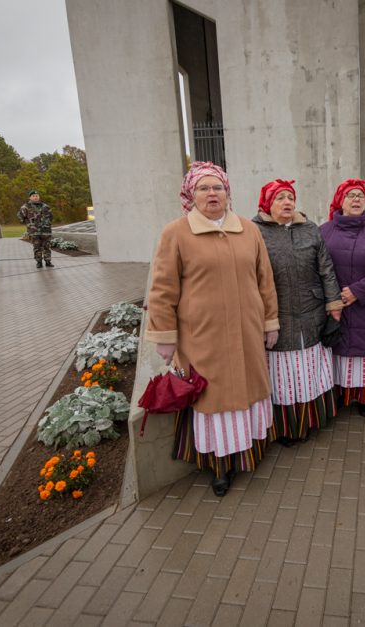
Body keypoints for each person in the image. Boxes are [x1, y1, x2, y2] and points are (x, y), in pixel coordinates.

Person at [146, 162, 279, 497]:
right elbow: (162, 290)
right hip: (201, 338)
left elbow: (265, 281)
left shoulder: (249, 230)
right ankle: (220, 467)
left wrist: (269, 322)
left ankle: (248, 452)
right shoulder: (175, 233)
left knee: (246, 394)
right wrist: (164, 337)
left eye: (217, 187)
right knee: (214, 400)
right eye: (203, 188)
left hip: (247, 334)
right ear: (191, 195)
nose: (211, 194)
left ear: (227, 192)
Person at [253, 179, 343, 445]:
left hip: (311, 314)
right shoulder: (254, 232)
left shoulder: (310, 229)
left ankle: (313, 420)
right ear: (268, 203)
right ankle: (287, 428)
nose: (287, 202)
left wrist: (333, 305)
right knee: (283, 377)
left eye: (290, 197)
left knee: (310, 371)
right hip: (277, 318)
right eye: (279, 197)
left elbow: (326, 269)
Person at [320, 179, 365, 416]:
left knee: (364, 355)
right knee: (339, 353)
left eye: (360, 195)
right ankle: (340, 394)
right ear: (340, 201)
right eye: (350, 195)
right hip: (335, 304)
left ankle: (364, 397)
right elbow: (319, 266)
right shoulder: (324, 231)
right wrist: (334, 295)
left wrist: (358, 291)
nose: (356, 199)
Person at [17, 190, 54, 268]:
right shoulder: (25, 207)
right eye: (33, 196)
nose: (35, 197)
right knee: (37, 247)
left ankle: (48, 261)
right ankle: (39, 262)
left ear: (39, 197)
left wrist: (47, 224)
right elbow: (20, 216)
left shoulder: (45, 206)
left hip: (46, 231)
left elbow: (51, 217)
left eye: (37, 195)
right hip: (34, 231)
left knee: (47, 247)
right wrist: (29, 224)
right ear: (29, 197)